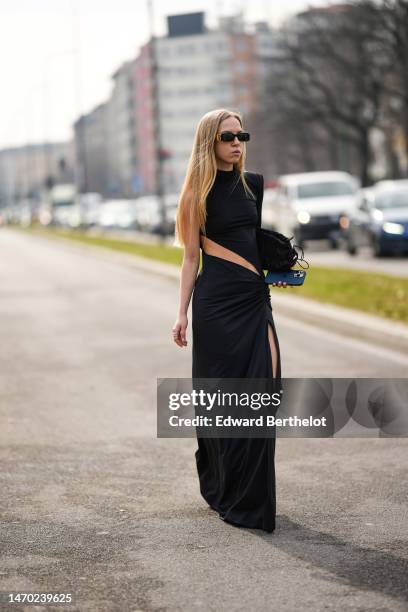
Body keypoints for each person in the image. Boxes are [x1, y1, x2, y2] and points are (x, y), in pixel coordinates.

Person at [172, 108, 288, 533]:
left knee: (266, 387)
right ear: (210, 143)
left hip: (253, 299)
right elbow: (190, 259)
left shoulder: (253, 184)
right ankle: (232, 490)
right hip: (216, 306)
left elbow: (250, 239)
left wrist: (276, 267)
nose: (238, 143)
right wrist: (181, 312)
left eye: (242, 136)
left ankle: (253, 491)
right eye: (228, 136)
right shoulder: (194, 196)